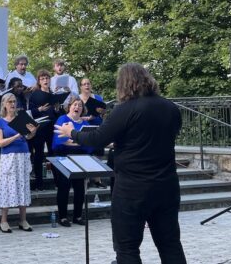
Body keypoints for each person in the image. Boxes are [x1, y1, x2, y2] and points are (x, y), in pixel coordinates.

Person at [57, 63, 187, 264]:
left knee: (127, 249)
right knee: (170, 245)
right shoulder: (170, 107)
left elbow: (97, 139)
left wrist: (71, 132)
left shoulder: (125, 109)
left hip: (132, 189)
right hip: (166, 186)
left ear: (125, 84)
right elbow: (153, 137)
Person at [0, 92, 37, 233]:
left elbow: (28, 137)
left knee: (23, 185)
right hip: (9, 156)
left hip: (23, 154)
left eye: (14, 101)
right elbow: (0, 143)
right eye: (10, 102)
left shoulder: (22, 118)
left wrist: (32, 132)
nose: (13, 104)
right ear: (4, 105)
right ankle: (4, 221)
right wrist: (17, 135)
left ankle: (23, 220)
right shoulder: (0, 121)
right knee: (6, 186)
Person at [52, 97, 93, 227]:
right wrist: (79, 142)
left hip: (80, 158)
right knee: (64, 187)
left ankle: (78, 216)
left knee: (80, 188)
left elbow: (89, 144)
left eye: (80, 105)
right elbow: (60, 141)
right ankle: (63, 217)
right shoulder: (63, 119)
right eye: (75, 104)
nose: (77, 107)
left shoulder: (85, 124)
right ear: (69, 106)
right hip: (63, 156)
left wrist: (73, 142)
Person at [28, 69, 60, 191]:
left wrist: (57, 109)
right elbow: (30, 112)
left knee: (53, 154)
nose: (45, 80)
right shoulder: (34, 95)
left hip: (51, 128)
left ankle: (57, 181)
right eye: (42, 79)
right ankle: (39, 183)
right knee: (39, 155)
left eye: (47, 78)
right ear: (39, 81)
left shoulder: (53, 95)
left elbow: (58, 114)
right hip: (39, 128)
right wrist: (40, 109)